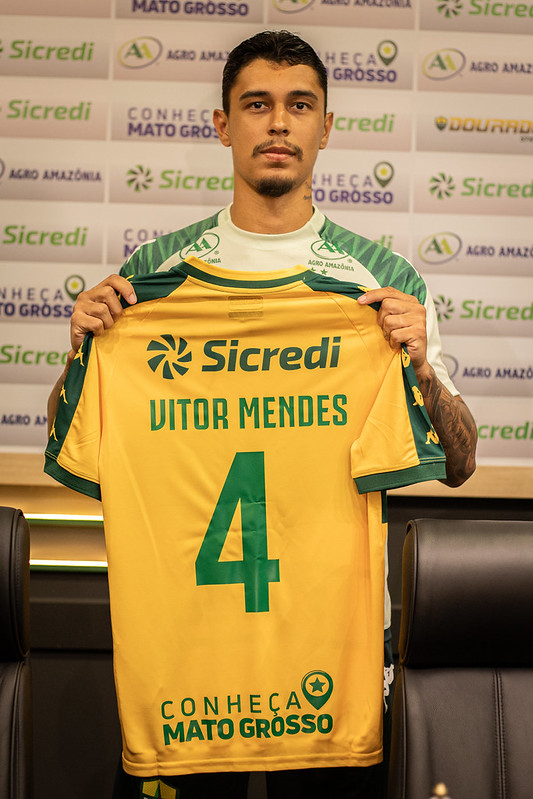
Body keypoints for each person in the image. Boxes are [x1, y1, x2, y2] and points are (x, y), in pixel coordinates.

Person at [46, 30, 477, 799]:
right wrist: (78, 353)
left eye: (298, 106)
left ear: (325, 127)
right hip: (186, 638)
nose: (277, 124)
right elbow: (81, 444)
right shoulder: (152, 277)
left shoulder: (378, 282)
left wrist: (416, 367)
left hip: (330, 645)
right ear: (223, 125)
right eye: (257, 105)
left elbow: (458, 462)